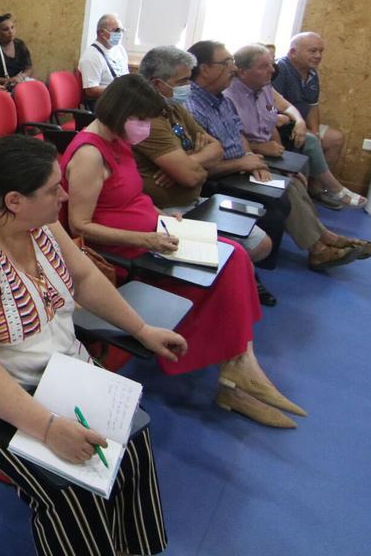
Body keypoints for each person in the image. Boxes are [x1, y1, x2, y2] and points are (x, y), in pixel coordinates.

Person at [0, 135, 179, 556]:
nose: (64, 194)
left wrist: (140, 328)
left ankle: (129, 547)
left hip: (43, 370)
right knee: (69, 486)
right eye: (54, 189)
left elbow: (85, 278)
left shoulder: (35, 218)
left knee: (131, 434)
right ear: (14, 199)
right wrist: (49, 429)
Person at [61, 74, 304, 428]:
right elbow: (80, 226)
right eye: (141, 119)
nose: (145, 127)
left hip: (156, 233)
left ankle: (238, 368)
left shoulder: (117, 141)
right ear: (122, 112)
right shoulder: (89, 153)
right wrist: (146, 239)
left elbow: (130, 197)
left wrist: (161, 216)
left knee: (234, 255)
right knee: (222, 267)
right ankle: (238, 375)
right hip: (126, 250)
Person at [186, 41, 371, 272]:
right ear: (205, 69)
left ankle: (324, 239)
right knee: (282, 195)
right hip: (221, 175)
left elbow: (237, 134)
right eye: (227, 64)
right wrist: (244, 161)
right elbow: (198, 164)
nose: (232, 69)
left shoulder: (219, 100)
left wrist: (249, 157)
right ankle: (319, 248)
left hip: (240, 164)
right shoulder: (192, 107)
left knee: (293, 182)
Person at [134, 46, 281, 306]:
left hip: (194, 199)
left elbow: (217, 147)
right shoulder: (146, 120)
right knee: (242, 254)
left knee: (263, 243)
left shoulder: (174, 109)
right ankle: (222, 290)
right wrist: (193, 160)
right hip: (169, 210)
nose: (189, 86)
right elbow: (191, 177)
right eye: (182, 81)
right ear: (159, 84)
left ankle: (230, 282)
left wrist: (187, 161)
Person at [224, 44, 365, 210]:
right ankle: (332, 191)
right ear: (242, 72)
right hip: (248, 156)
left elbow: (275, 112)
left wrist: (299, 121)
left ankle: (321, 203)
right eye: (264, 66)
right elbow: (233, 137)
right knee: (295, 180)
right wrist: (260, 148)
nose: (272, 70)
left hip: (270, 145)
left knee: (300, 173)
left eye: (272, 64)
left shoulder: (265, 87)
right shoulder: (228, 97)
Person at [272, 31, 349, 178]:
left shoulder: (312, 73)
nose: (318, 56)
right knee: (311, 142)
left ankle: (318, 188)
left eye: (321, 51)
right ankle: (331, 188)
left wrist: (315, 131)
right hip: (283, 126)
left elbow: (313, 105)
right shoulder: (279, 70)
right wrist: (297, 124)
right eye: (313, 51)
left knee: (335, 138)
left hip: (302, 123)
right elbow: (271, 107)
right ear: (293, 52)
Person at [78, 14, 129, 104]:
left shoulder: (119, 49)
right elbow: (91, 91)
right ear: (101, 33)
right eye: (116, 30)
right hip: (105, 103)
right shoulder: (91, 56)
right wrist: (118, 91)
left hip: (122, 100)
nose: (120, 34)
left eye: (122, 30)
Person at [0, 13, 33, 89]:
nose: (11, 31)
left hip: (21, 81)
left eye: (12, 27)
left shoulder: (19, 44)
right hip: (4, 85)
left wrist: (21, 77)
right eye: (6, 29)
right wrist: (10, 80)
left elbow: (29, 68)